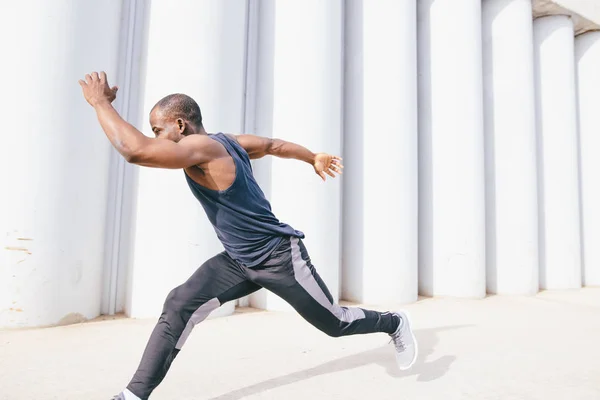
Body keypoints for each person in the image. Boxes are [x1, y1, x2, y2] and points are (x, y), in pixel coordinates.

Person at [78, 71, 418, 400]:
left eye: (157, 130)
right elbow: (272, 145)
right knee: (180, 303)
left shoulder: (201, 147)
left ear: (180, 125)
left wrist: (99, 103)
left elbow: (134, 150)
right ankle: (133, 395)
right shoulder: (228, 142)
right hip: (238, 260)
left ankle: (393, 323)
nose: (154, 139)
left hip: (278, 258)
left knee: (334, 323)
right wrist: (311, 157)